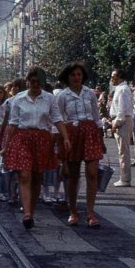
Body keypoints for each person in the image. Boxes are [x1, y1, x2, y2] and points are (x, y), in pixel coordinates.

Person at [1, 67, 70, 230]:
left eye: (39, 82)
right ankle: (27, 214)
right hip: (22, 137)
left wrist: (65, 137)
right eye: (33, 81)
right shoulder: (18, 99)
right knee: (24, 175)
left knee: (37, 177)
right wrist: (5, 146)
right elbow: (12, 124)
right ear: (27, 82)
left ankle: (30, 209)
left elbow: (57, 119)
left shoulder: (49, 98)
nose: (36, 85)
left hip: (42, 139)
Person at [57, 62, 104, 228]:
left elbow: (97, 117)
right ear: (67, 77)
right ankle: (73, 211)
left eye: (79, 74)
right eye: (73, 75)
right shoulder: (63, 96)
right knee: (73, 174)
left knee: (92, 172)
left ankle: (91, 213)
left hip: (90, 131)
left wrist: (101, 136)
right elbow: (60, 119)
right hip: (72, 133)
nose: (77, 78)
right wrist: (62, 140)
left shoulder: (90, 93)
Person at [109, 68, 134, 188]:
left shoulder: (123, 89)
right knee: (122, 151)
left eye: (113, 76)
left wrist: (117, 122)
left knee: (123, 152)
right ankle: (124, 177)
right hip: (121, 121)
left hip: (122, 122)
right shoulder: (120, 89)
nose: (111, 79)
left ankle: (125, 179)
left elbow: (122, 109)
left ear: (119, 77)